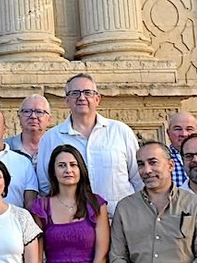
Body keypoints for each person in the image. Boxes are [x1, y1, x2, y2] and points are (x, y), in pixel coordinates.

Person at [36, 75, 142, 210]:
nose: (81, 97)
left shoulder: (120, 131)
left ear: (97, 99)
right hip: (73, 219)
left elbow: (138, 178)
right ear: (67, 100)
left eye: (87, 93)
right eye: (75, 93)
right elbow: (45, 185)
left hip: (120, 216)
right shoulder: (51, 138)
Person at [165, 112, 197, 188]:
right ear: (168, 133)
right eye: (178, 129)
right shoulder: (162, 160)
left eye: (189, 129)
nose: (184, 134)